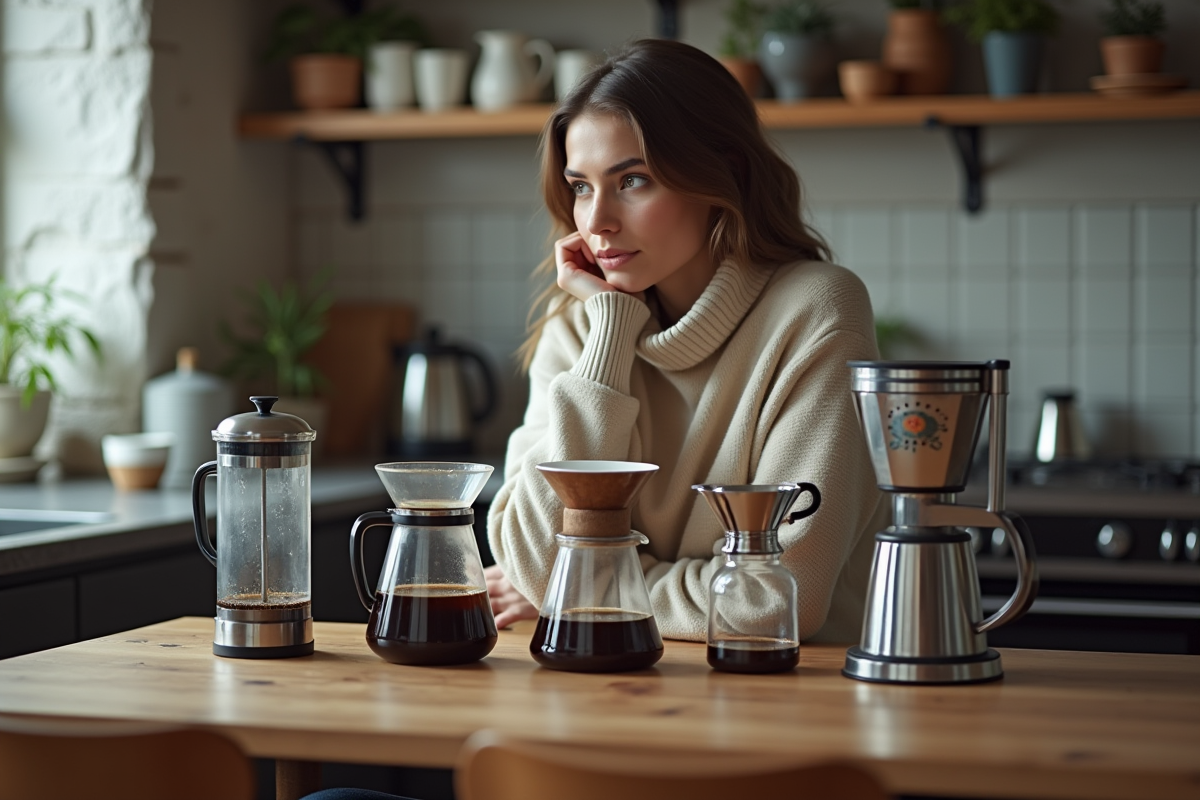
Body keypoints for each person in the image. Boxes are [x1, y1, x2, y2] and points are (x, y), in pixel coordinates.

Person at [485, 38, 888, 644]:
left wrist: (584, 586)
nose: (596, 222)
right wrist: (611, 332)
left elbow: (774, 601)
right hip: (615, 682)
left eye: (633, 180)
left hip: (795, 686)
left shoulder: (815, 311)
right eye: (582, 186)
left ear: (723, 174)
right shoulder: (582, 327)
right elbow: (535, 560)